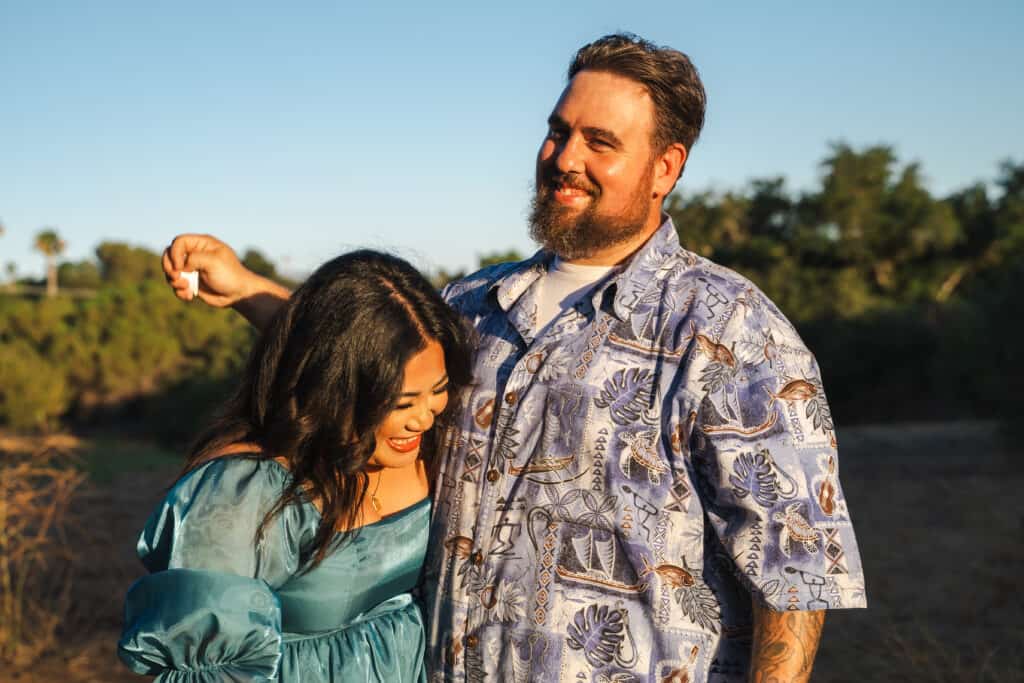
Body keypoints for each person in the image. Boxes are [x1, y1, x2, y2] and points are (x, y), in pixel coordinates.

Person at [162, 33, 866, 683]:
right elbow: (363, 364)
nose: (564, 158)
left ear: (665, 167)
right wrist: (250, 291)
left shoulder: (730, 329)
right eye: (558, 131)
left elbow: (795, 565)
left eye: (599, 141)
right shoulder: (471, 303)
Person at [120, 250, 473, 682]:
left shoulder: (423, 447)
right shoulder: (245, 492)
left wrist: (249, 289)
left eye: (437, 390)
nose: (424, 417)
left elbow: (336, 345)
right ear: (333, 391)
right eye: (401, 403)